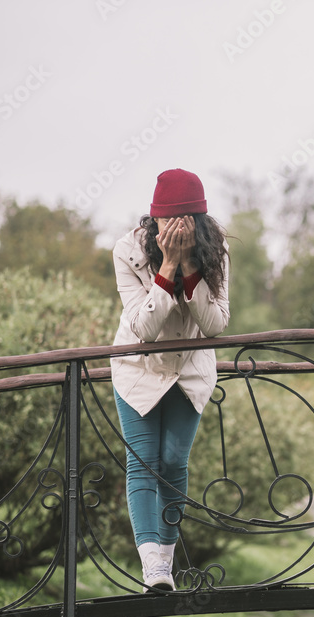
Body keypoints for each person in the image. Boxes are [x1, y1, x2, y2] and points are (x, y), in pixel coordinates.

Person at [110, 168, 231, 591]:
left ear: (199, 222)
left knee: (174, 463)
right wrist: (168, 268)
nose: (176, 229)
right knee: (143, 464)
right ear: (153, 220)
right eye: (167, 222)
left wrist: (192, 269)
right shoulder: (127, 252)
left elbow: (215, 324)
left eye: (185, 222)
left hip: (189, 371)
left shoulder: (216, 252)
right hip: (138, 370)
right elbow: (144, 328)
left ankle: (166, 554)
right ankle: (154, 570)